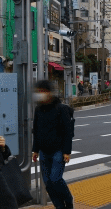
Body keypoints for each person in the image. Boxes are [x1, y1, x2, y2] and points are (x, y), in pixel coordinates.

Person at [32, 80, 75, 209]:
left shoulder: (61, 109)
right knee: (48, 184)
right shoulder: (38, 110)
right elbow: (36, 130)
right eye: (39, 92)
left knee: (55, 179)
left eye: (43, 91)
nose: (40, 94)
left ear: (50, 93)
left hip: (58, 151)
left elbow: (68, 132)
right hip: (44, 152)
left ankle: (68, 199)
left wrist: (67, 151)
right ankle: (59, 206)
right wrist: (35, 150)